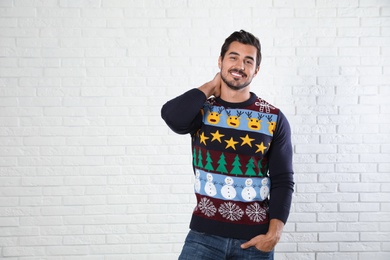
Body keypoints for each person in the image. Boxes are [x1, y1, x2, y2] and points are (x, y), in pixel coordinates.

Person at [161, 30, 294, 260]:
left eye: (248, 61)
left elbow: (283, 179)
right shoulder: (201, 110)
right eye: (233, 57)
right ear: (220, 61)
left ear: (256, 70)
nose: (240, 65)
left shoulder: (273, 118)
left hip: (254, 240)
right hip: (203, 236)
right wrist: (209, 88)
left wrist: (274, 233)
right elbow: (172, 116)